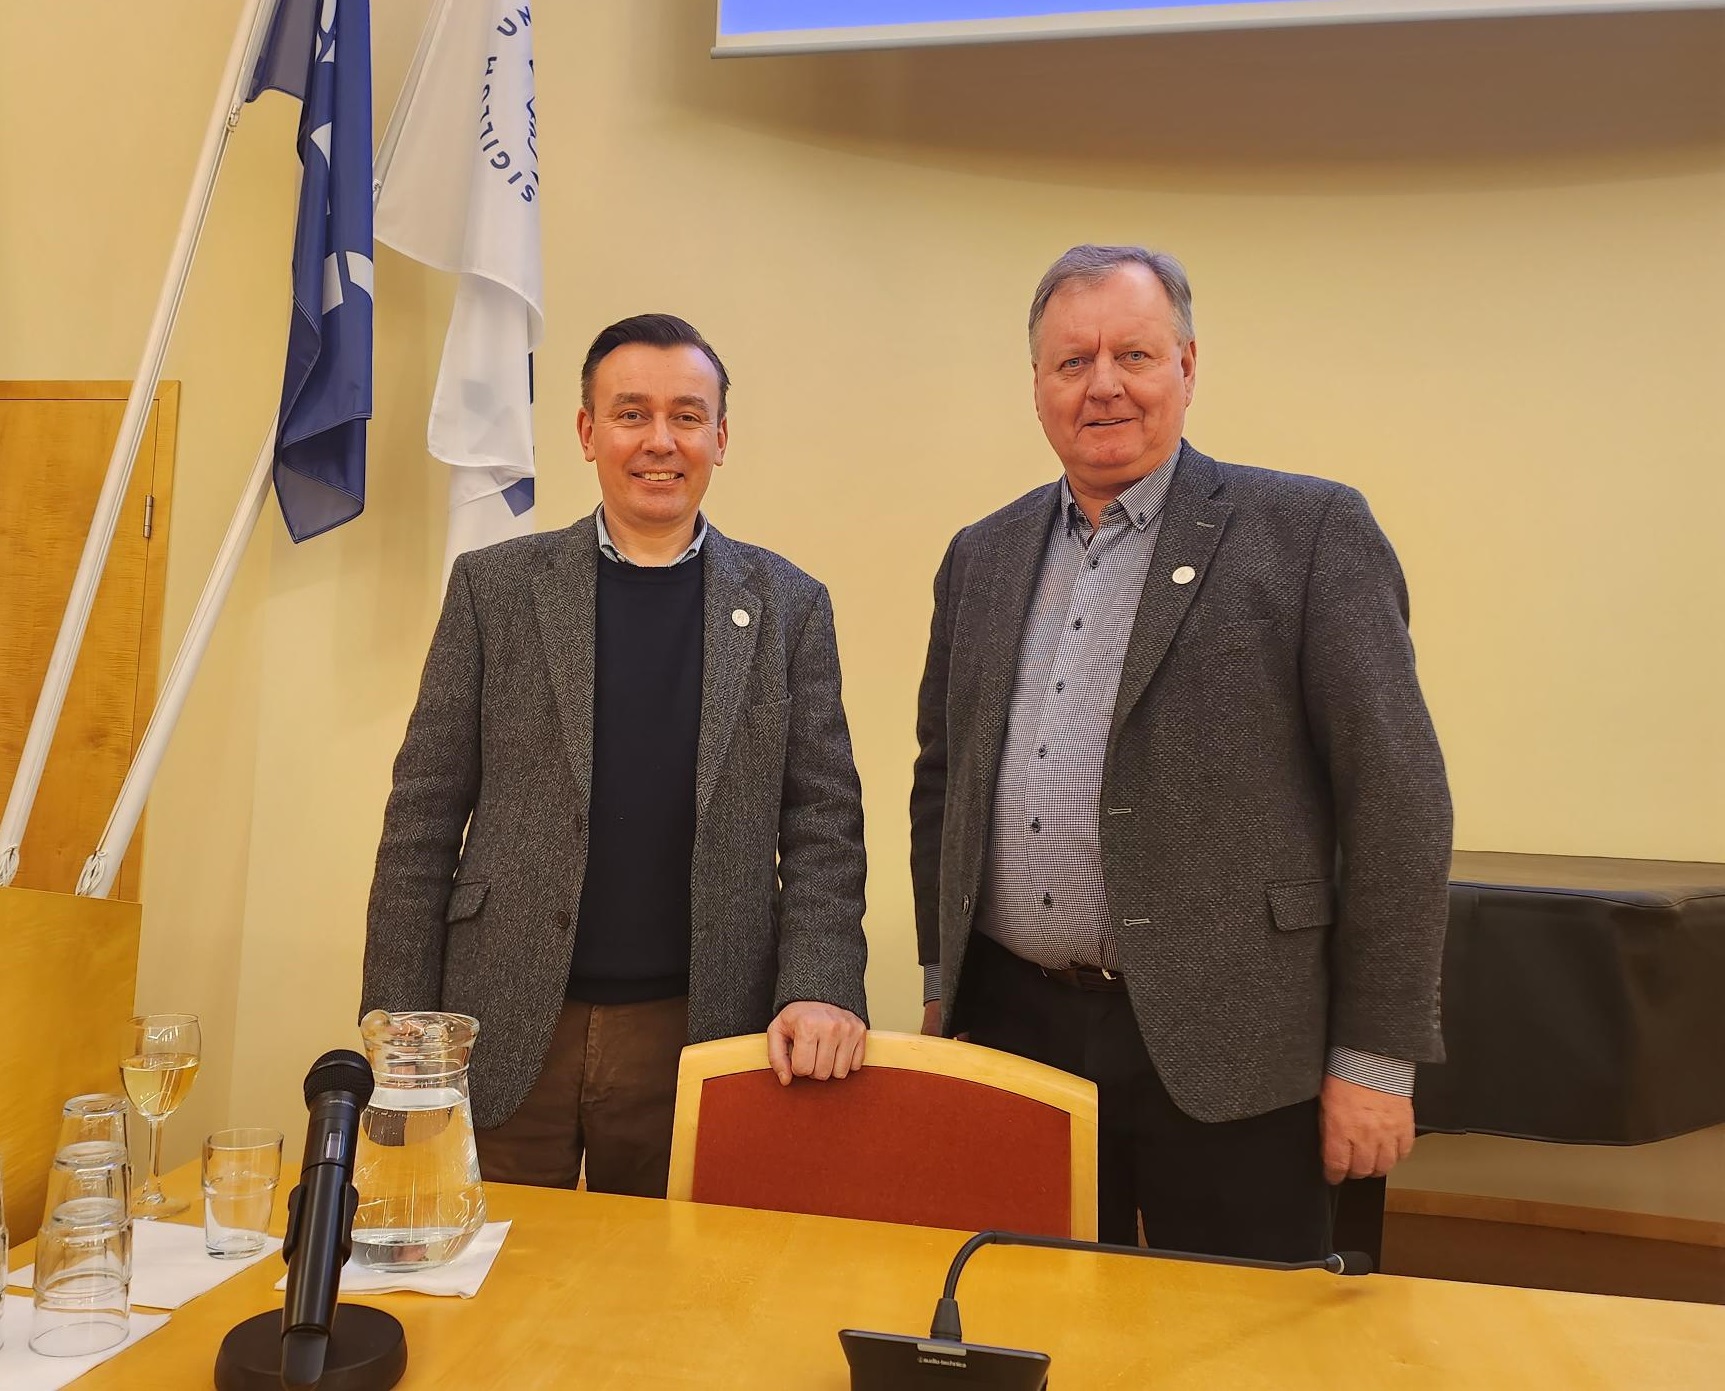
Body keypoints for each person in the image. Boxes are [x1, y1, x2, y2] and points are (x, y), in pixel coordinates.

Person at [911, 246, 1452, 1259]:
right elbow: (943, 779)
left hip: (1237, 1041)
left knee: (1246, 1346)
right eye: (1071, 362)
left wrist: (1376, 1058)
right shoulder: (979, 555)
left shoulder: (1309, 531)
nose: (1102, 383)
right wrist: (946, 974)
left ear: (1189, 367)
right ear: (1036, 385)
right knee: (1034, 1320)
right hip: (1018, 1030)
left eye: (1134, 353)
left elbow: (1398, 801)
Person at [363, 312, 869, 1198]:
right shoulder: (496, 590)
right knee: (491, 1289)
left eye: (686, 414)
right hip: (504, 1019)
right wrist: (401, 1026)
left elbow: (823, 822)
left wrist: (822, 983)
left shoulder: (791, 607)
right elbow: (422, 817)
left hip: (701, 1027)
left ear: (721, 435)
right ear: (588, 432)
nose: (659, 441)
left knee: (676, 1304)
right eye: (631, 413)